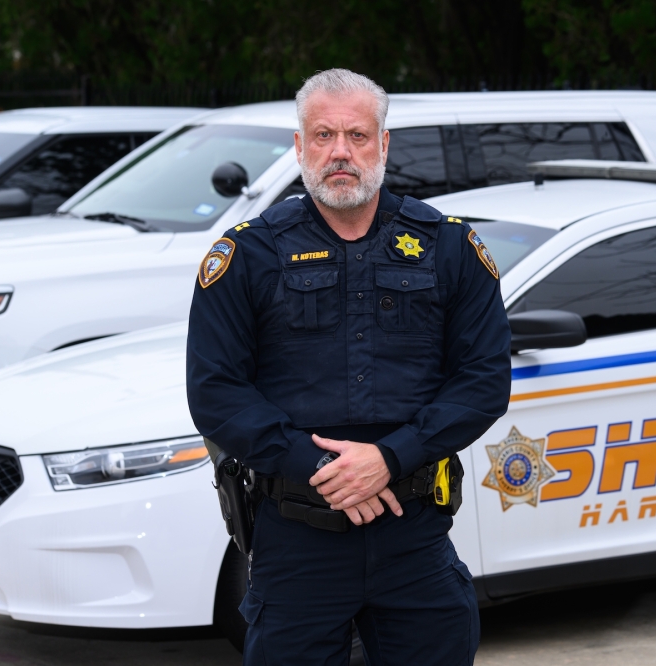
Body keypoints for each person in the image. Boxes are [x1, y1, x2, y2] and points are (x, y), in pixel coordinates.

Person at [186, 68, 512, 665]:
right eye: (324, 136)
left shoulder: (447, 246)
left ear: (384, 145)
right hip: (296, 539)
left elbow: (484, 380)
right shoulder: (247, 254)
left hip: (412, 532)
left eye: (358, 136)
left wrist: (390, 459)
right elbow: (216, 391)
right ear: (299, 147)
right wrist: (324, 469)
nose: (341, 152)